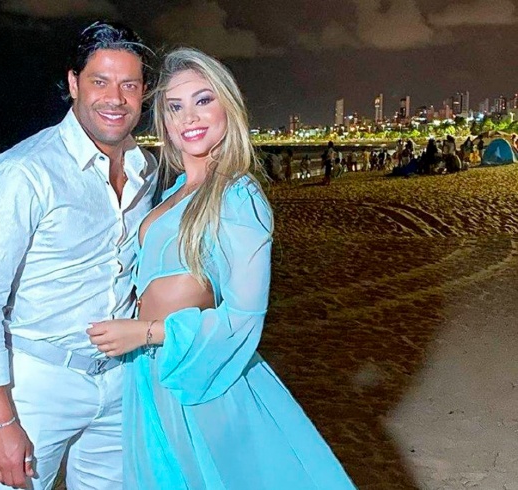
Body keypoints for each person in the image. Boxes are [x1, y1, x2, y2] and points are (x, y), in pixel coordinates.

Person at [87, 48, 355, 489]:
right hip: (150, 374)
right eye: (175, 106)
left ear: (228, 107)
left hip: (202, 379)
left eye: (203, 100)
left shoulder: (237, 195)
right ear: (164, 121)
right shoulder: (174, 191)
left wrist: (145, 332)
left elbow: (243, 319)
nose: (189, 117)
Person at [0, 21, 158, 490]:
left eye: (129, 85)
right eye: (100, 81)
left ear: (143, 92)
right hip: (37, 384)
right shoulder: (24, 172)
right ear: (74, 83)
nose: (115, 99)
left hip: (121, 380)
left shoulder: (145, 169)